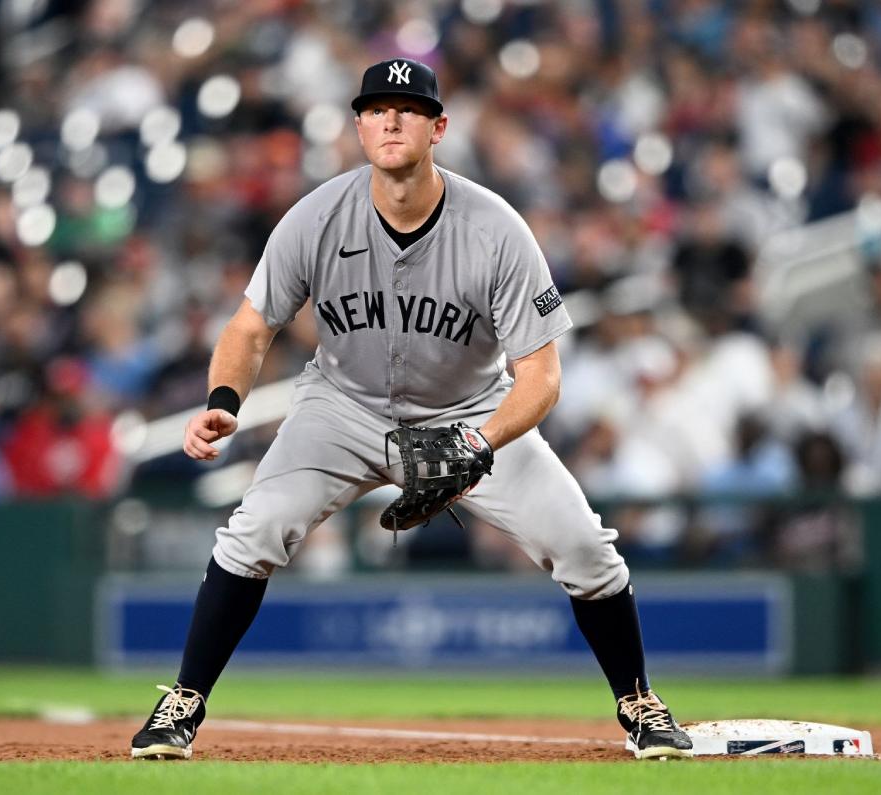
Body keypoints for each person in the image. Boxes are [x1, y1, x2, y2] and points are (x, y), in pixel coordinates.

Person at [130, 58, 693, 762]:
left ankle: (639, 700)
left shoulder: (496, 229)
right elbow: (250, 327)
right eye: (375, 108)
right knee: (256, 529)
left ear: (439, 128)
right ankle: (183, 700)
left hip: (472, 411)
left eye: (407, 107)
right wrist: (222, 400)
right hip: (342, 407)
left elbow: (542, 377)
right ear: (359, 126)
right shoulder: (315, 217)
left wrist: (479, 442)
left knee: (585, 548)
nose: (390, 118)